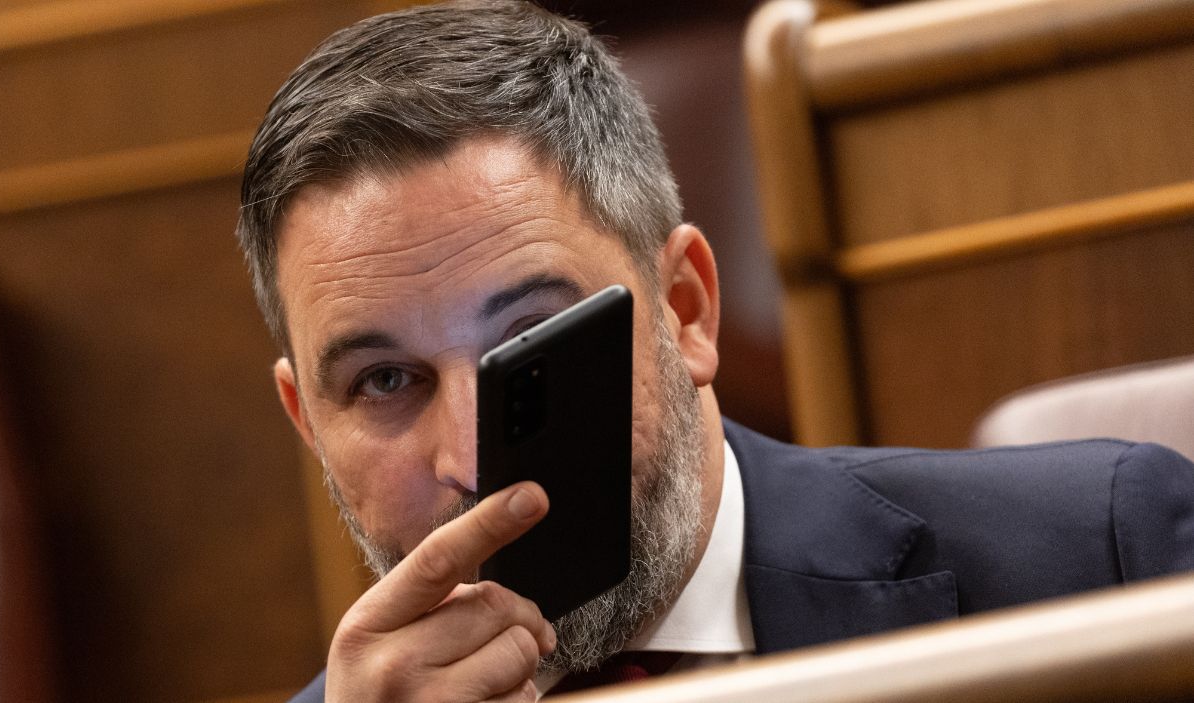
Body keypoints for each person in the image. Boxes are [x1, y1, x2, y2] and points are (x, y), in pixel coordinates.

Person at [235, 1, 1194, 700]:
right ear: (308, 424)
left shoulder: (1101, 551)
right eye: (385, 380)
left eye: (529, 344)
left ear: (686, 309)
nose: (469, 459)